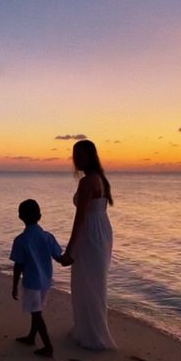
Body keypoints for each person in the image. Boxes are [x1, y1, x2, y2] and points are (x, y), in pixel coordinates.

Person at [61, 139, 116, 349]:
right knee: (94, 282)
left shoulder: (87, 182)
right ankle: (90, 329)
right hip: (101, 231)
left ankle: (92, 334)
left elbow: (80, 218)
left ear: (90, 156)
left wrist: (70, 249)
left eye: (81, 155)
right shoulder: (100, 179)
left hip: (90, 233)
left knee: (88, 283)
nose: (77, 160)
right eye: (75, 155)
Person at [10, 199, 63, 357]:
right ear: (40, 216)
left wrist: (14, 286)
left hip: (32, 282)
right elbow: (59, 257)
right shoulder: (48, 237)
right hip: (45, 281)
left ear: (20, 217)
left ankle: (48, 347)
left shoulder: (21, 240)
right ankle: (31, 337)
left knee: (36, 314)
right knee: (36, 310)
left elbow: (18, 265)